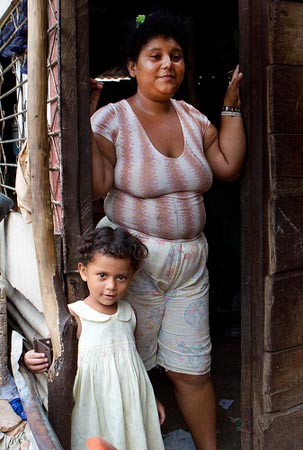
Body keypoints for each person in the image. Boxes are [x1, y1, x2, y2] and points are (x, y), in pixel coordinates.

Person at [89, 8, 246, 450]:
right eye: (154, 56)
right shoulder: (112, 119)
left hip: (189, 265)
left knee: (191, 370)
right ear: (133, 67)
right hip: (131, 266)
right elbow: (99, 184)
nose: (167, 64)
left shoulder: (194, 119)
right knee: (129, 367)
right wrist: (84, 117)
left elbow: (229, 166)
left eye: (175, 56)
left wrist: (230, 101)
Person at [24, 226, 166, 450]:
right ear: (83, 271)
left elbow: (133, 363)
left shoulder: (129, 314)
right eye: (102, 275)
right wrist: (30, 359)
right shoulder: (74, 316)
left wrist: (150, 399)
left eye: (121, 277)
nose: (111, 286)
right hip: (94, 405)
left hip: (130, 403)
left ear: (132, 276)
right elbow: (52, 354)